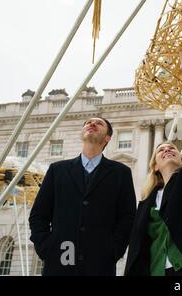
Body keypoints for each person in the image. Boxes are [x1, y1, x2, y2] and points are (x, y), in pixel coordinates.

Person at [124, 54, 182, 276]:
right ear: (154, 165)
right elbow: (138, 246)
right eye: (161, 150)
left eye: (172, 148)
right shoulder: (146, 203)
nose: (167, 149)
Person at [29, 116, 137, 276]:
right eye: (88, 122)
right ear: (82, 133)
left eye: (99, 123)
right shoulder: (57, 170)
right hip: (59, 262)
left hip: (100, 264)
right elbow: (39, 215)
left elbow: (127, 217)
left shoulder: (121, 172)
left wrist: (113, 250)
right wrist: (47, 248)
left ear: (107, 138)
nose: (92, 124)